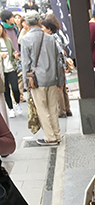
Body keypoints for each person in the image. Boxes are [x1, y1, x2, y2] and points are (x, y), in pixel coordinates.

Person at [21, 10, 64, 146]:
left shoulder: (25, 39)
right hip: (52, 78)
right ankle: (57, 134)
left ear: (27, 23)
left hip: (37, 80)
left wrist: (26, 84)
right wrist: (60, 81)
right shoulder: (50, 38)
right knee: (52, 108)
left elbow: (25, 63)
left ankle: (50, 137)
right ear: (39, 21)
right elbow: (58, 61)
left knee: (42, 109)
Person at [41, 18, 72, 118]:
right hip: (61, 65)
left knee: (59, 88)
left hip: (56, 66)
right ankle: (67, 109)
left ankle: (62, 111)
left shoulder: (50, 39)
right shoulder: (56, 36)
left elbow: (56, 54)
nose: (42, 29)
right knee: (63, 88)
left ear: (49, 29)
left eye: (43, 27)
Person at [0, 22, 22, 118]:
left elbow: (12, 51)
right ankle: (10, 108)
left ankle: (17, 102)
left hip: (11, 67)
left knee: (15, 88)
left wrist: (14, 54)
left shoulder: (7, 40)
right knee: (6, 90)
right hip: (2, 70)